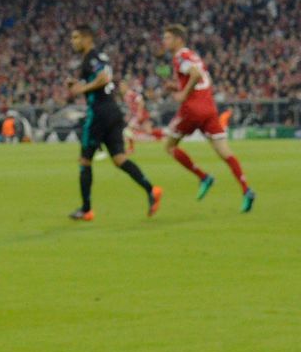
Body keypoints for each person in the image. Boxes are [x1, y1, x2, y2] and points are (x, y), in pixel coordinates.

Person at [65, 24, 159, 221]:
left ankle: (86, 209)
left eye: (76, 37)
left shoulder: (91, 58)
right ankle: (151, 190)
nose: (73, 42)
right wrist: (78, 85)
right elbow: (100, 79)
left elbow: (104, 78)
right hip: (112, 111)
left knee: (84, 161)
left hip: (98, 113)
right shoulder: (101, 57)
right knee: (119, 158)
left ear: (87, 38)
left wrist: (81, 89)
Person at [159, 24, 255, 212]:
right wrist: (176, 87)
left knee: (169, 146)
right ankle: (246, 189)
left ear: (178, 39)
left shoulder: (180, 56)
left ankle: (203, 177)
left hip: (191, 110)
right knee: (225, 152)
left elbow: (194, 75)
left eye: (167, 38)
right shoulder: (194, 56)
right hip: (209, 108)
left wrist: (183, 94)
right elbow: (199, 78)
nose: (164, 41)